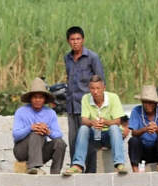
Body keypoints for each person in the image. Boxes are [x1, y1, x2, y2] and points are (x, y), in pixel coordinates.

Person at [63, 75, 128, 175]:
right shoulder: (86, 98)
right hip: (95, 135)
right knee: (84, 128)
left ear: (104, 88)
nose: (95, 92)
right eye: (92, 88)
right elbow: (84, 120)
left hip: (109, 136)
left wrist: (105, 122)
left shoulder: (113, 97)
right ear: (89, 89)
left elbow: (117, 121)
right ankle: (78, 165)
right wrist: (92, 122)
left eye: (98, 88)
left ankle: (119, 164)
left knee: (114, 128)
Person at [64, 26, 105, 168]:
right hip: (72, 105)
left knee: (90, 141)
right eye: (72, 39)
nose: (75, 42)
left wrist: (100, 106)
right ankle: (76, 171)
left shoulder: (92, 58)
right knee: (73, 141)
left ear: (83, 40)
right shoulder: (67, 58)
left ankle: (91, 174)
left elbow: (100, 82)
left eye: (78, 39)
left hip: (88, 107)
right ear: (68, 41)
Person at [12, 78, 66, 175]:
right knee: (36, 133)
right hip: (22, 150)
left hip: (40, 151)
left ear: (44, 99)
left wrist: (48, 132)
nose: (38, 100)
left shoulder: (50, 113)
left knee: (60, 143)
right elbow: (16, 135)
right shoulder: (21, 111)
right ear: (30, 98)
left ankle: (55, 173)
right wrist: (30, 128)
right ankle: (34, 167)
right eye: (35, 97)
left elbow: (59, 134)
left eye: (41, 97)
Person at [127, 86, 158, 173]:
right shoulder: (136, 111)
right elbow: (134, 133)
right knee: (133, 140)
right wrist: (145, 129)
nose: (148, 105)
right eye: (145, 102)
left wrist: (157, 129)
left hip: (156, 148)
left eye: (150, 103)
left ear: (155, 103)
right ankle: (135, 170)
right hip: (143, 148)